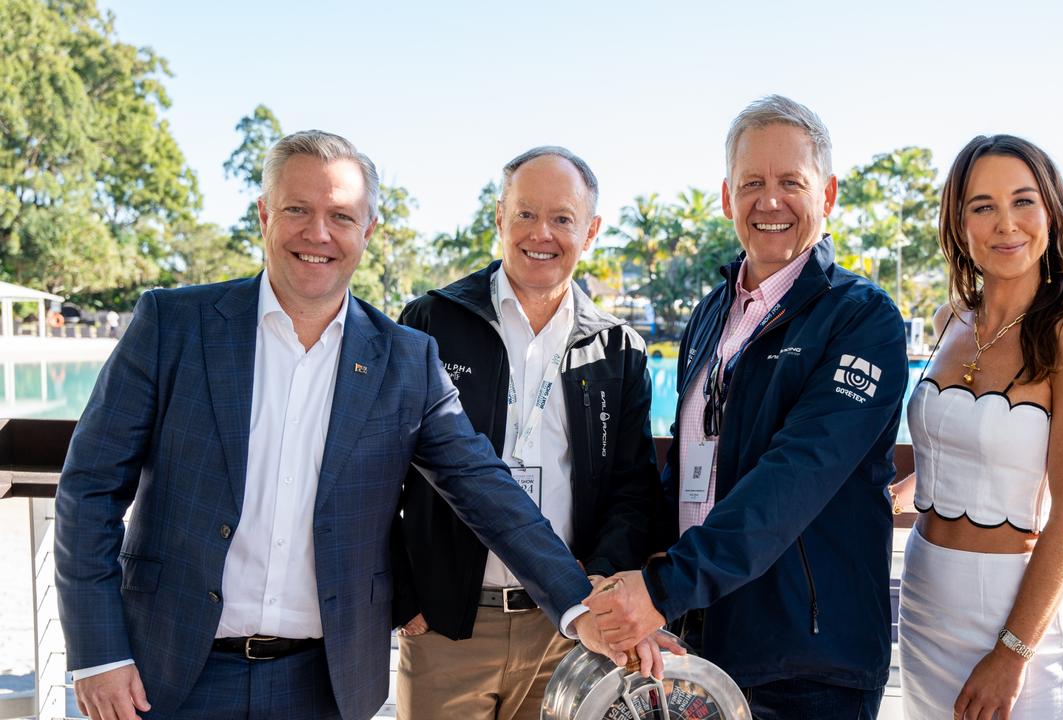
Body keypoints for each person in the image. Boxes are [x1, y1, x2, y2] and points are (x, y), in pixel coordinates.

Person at [53, 130, 661, 720]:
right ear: (264, 213)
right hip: (166, 674)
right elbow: (90, 489)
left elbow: (484, 489)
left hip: (321, 686)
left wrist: (583, 610)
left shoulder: (405, 357)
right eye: (298, 209)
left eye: (341, 216)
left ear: (366, 230)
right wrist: (98, 651)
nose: (318, 233)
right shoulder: (173, 325)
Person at [585, 95, 908, 720]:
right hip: (699, 647)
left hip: (808, 662)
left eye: (792, 182)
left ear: (829, 193)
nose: (770, 201)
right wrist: (622, 577)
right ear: (728, 197)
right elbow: (685, 477)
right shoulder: (711, 315)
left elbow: (794, 478)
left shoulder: (862, 318)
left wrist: (660, 589)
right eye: (753, 183)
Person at [392, 146, 661, 719]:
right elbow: (378, 470)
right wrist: (404, 595)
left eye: (562, 218)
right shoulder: (432, 322)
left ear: (590, 231)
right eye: (525, 214)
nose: (542, 233)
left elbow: (633, 489)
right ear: (499, 218)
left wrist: (600, 591)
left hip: (564, 631)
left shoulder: (617, 349)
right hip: (446, 626)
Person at [890, 134, 1063, 718]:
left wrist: (1013, 655)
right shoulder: (951, 319)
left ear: (1050, 212)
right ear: (959, 224)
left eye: (1023, 201)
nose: (1006, 224)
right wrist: (882, 499)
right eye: (983, 206)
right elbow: (949, 453)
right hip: (922, 599)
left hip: (1013, 613)